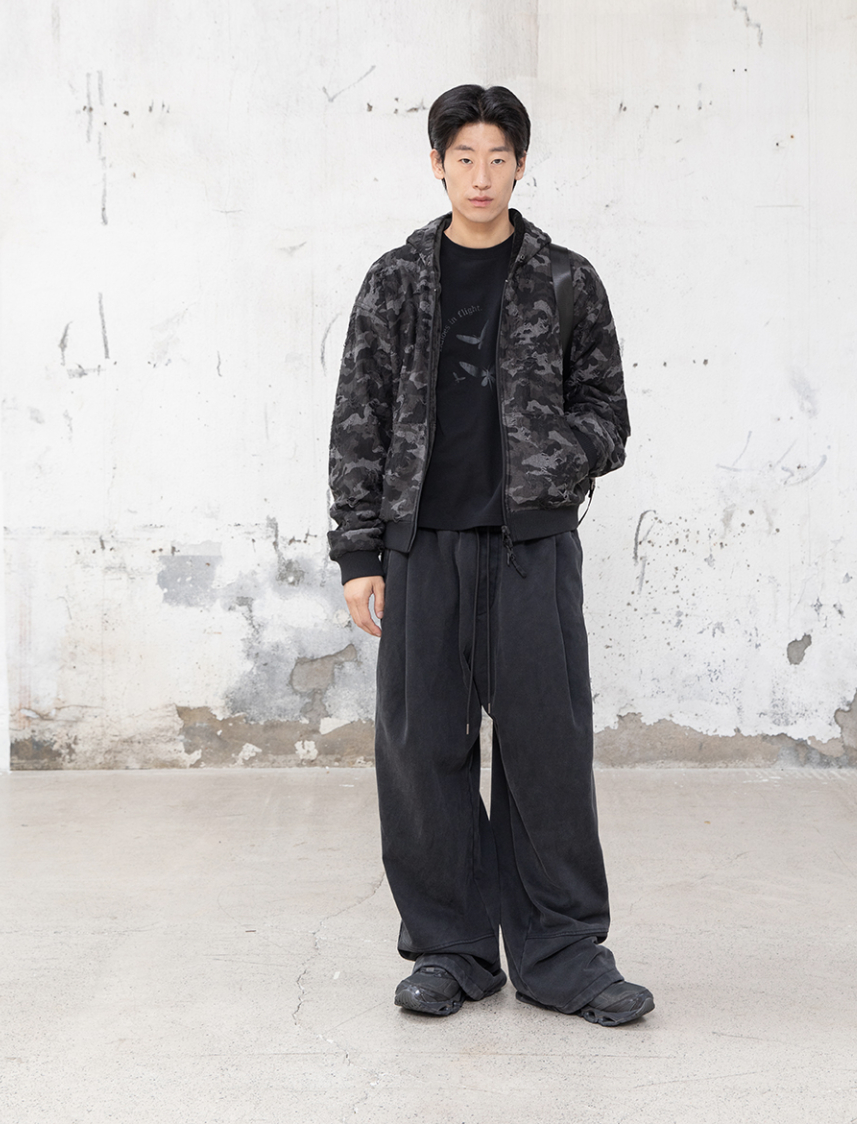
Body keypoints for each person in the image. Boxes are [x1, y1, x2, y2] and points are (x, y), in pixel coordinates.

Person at [328, 84, 654, 1027]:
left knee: (547, 751)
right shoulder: (396, 280)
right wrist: (359, 551)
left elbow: (608, 412)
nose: (481, 176)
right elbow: (359, 417)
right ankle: (451, 950)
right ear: (437, 164)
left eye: (498, 158)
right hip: (421, 548)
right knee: (422, 749)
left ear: (520, 164)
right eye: (464, 157)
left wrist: (556, 456)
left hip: (531, 551)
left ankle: (563, 954)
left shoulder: (566, 279)